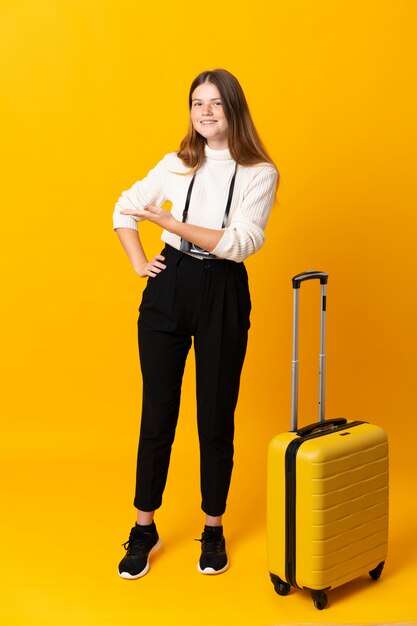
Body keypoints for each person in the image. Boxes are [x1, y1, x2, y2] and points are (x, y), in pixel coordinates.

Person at [113, 68, 278, 580]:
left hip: (223, 290)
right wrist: (142, 262)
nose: (205, 113)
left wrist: (171, 225)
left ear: (234, 109)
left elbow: (240, 244)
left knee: (215, 415)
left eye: (215, 104)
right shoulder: (175, 163)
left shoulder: (259, 172)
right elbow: (123, 208)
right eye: (196, 103)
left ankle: (213, 526)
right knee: (157, 412)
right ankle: (144, 527)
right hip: (170, 283)